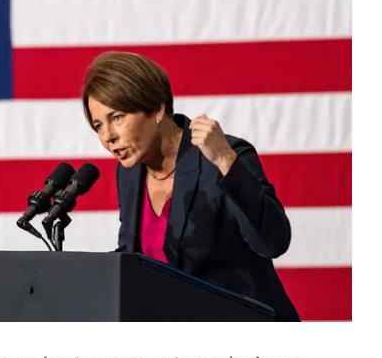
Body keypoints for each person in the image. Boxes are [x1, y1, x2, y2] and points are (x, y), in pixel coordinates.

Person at [82, 50, 299, 320]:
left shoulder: (223, 154)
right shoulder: (129, 173)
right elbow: (133, 258)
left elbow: (272, 242)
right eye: (98, 125)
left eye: (117, 118)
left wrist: (225, 160)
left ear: (157, 108)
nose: (108, 137)